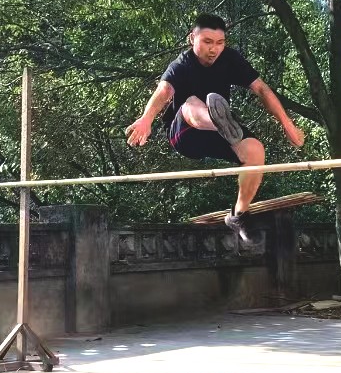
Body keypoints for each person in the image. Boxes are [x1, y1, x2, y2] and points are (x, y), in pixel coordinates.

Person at [124, 14, 306, 242]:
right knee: (191, 102)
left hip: (219, 134)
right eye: (207, 42)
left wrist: (287, 124)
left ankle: (239, 215)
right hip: (186, 134)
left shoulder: (230, 59)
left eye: (220, 43)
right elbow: (164, 91)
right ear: (192, 38)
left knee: (255, 151)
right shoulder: (182, 64)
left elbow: (262, 89)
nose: (214, 49)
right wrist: (146, 119)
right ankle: (218, 122)